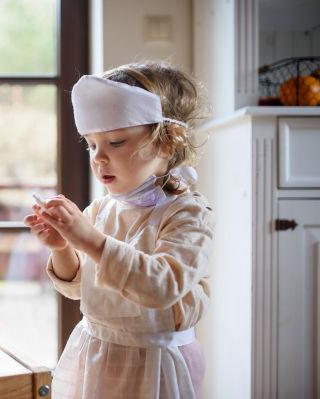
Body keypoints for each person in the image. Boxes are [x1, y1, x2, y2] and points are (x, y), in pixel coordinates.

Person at [24, 61, 214, 399]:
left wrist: (90, 239)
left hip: (157, 364)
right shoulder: (101, 210)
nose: (99, 157)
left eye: (116, 142)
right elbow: (81, 288)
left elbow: (162, 286)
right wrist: (63, 247)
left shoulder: (188, 214)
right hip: (97, 352)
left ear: (168, 141)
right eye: (92, 144)